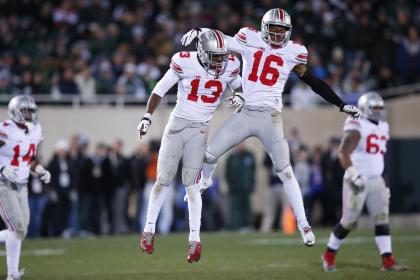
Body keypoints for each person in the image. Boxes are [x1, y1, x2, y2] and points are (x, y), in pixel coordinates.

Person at [181, 8, 361, 246]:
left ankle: (304, 224)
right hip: (245, 112)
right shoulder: (249, 37)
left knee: (285, 171)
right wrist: (201, 30)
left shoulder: (295, 51)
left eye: (281, 30)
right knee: (209, 155)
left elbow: (313, 82)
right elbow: (224, 40)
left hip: (270, 117)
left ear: (289, 31)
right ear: (264, 29)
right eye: (273, 29)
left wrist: (340, 103)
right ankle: (205, 180)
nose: (277, 35)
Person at [136, 29, 243, 262]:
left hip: (200, 129)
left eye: (222, 57)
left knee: (192, 186)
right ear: (203, 52)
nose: (219, 62)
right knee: (163, 179)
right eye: (214, 57)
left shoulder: (230, 64)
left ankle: (195, 240)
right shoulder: (183, 61)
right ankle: (148, 230)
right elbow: (160, 89)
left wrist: (240, 96)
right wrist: (147, 116)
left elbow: (240, 85)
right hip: (176, 125)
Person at [321, 93, 407, 272]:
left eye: (380, 108)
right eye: (375, 108)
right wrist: (353, 174)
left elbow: (378, 157)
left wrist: (384, 180)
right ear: (365, 108)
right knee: (348, 222)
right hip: (356, 179)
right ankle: (329, 254)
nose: (378, 111)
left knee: (382, 219)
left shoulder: (384, 125)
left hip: (377, 180)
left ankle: (388, 260)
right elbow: (343, 152)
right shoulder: (357, 122)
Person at [0, 96, 51, 280]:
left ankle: (13, 273)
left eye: (31, 110)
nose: (29, 114)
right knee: (17, 226)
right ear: (15, 111)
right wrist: (2, 168)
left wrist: (40, 169)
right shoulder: (5, 129)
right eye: (25, 110)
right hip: (3, 184)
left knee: (22, 230)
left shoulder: (35, 130)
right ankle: (12, 274)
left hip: (22, 184)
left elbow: (30, 158)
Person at [224, 143, 255, 230]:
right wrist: (230, 184)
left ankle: (247, 225)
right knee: (235, 208)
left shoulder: (249, 156)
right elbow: (227, 173)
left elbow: (253, 170)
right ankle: (235, 226)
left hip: (246, 187)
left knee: (246, 208)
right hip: (235, 189)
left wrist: (252, 183)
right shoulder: (231, 158)